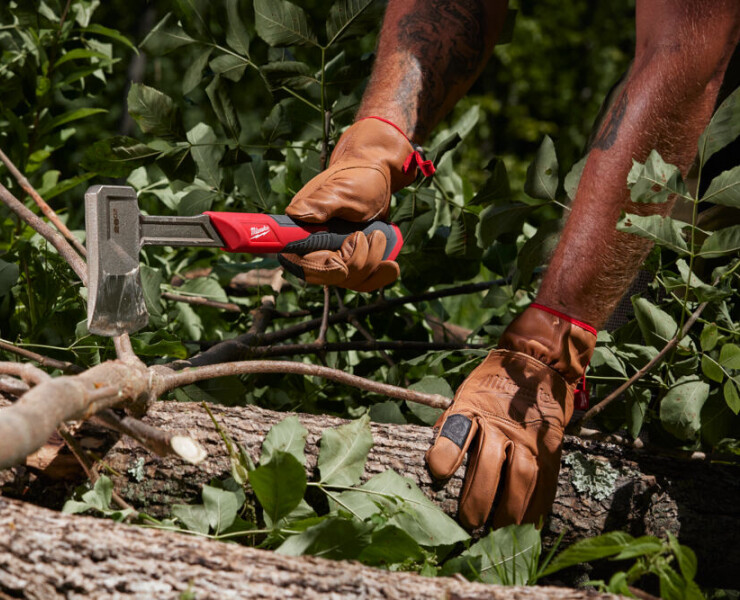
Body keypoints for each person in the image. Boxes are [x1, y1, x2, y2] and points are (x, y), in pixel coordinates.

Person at [279, 0, 740, 528]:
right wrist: (378, 142)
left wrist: (551, 342)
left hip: (700, 68)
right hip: (681, 69)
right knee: (614, 405)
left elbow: (688, 47)